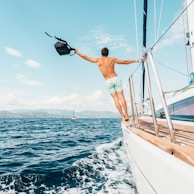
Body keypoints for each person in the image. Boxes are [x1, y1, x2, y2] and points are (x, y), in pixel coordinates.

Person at [75, 47, 140, 121]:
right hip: (115, 78)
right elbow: (125, 62)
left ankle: (122, 116)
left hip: (108, 81)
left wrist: (77, 52)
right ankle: (127, 115)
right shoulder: (112, 59)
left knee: (115, 99)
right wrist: (135, 60)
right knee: (121, 97)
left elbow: (86, 57)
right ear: (108, 53)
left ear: (101, 53)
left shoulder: (97, 60)